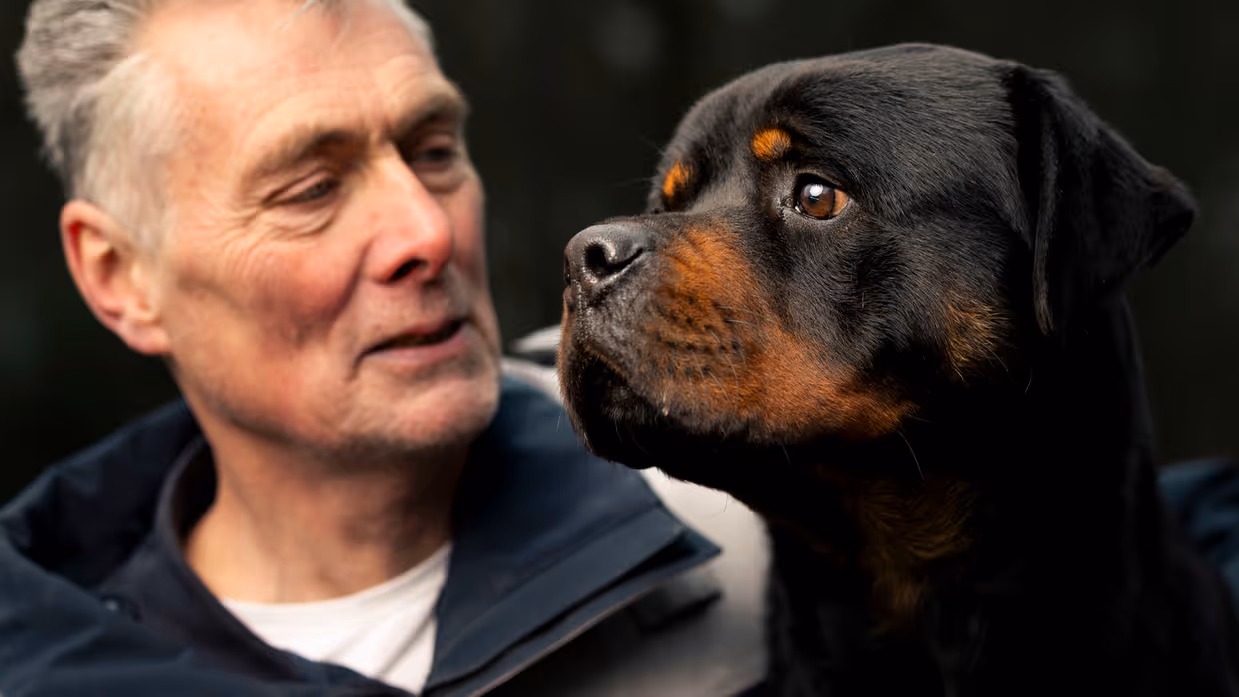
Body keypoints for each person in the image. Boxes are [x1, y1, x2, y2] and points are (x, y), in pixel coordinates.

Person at [1, 1, 769, 695]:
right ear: (121, 276)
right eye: (310, 190)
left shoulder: (767, 527)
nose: (427, 233)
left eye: (431, 150)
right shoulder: (50, 666)